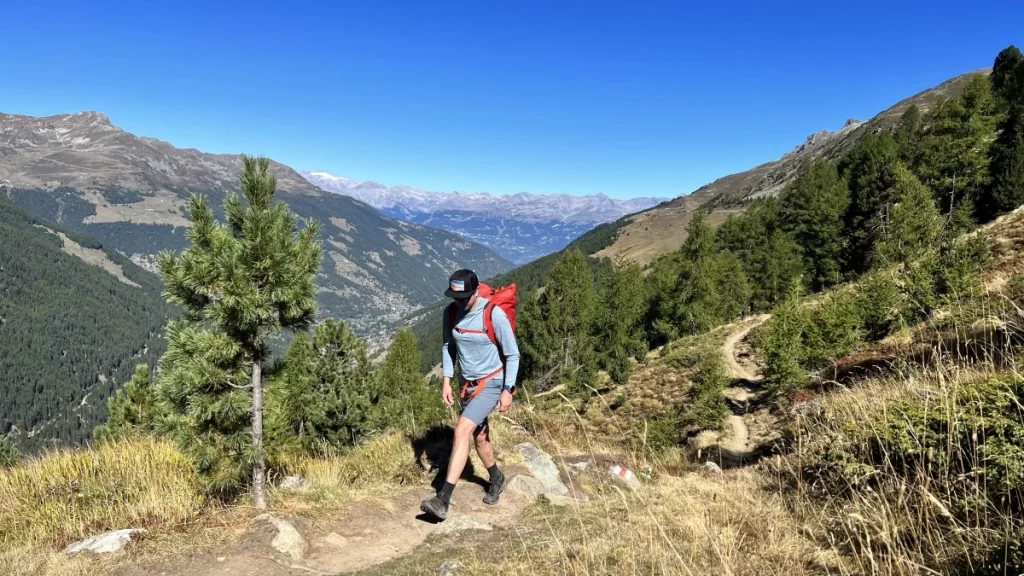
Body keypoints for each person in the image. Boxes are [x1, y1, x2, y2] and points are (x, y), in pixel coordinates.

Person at [420, 269, 519, 521]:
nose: (460, 302)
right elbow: (447, 347)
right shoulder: (451, 313)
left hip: (491, 383)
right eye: (456, 297)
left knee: (461, 430)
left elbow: (512, 354)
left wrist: (507, 389)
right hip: (467, 386)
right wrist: (446, 381)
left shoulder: (492, 314)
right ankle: (497, 477)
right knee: (480, 438)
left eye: (465, 297)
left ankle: (443, 499)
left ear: (476, 292)